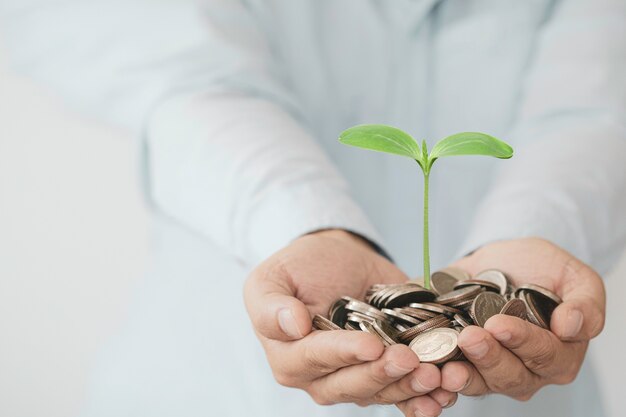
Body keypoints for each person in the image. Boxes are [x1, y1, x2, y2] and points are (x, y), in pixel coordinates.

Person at [1, 0, 624, 416]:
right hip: (215, 383)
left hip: (519, 385)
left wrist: (541, 232)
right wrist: (305, 221)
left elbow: (598, 109)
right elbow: (186, 81)